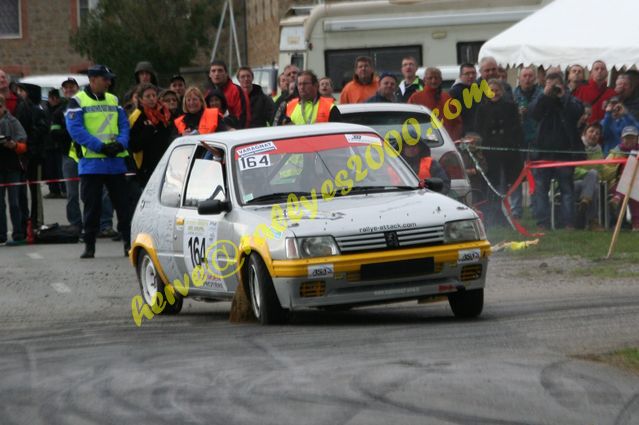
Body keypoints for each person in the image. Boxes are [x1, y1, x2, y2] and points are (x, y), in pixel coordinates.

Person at [65, 64, 132, 258]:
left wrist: (121, 144)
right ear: (93, 80)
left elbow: (124, 125)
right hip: (92, 163)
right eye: (105, 79)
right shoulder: (77, 101)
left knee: (123, 206)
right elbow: (76, 130)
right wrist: (100, 147)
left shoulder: (114, 99)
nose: (109, 82)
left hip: (115, 161)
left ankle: (128, 243)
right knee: (92, 206)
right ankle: (90, 245)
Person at [529, 72, 585, 229]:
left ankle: (568, 223)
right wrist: (544, 96)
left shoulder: (569, 98)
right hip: (543, 152)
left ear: (563, 84)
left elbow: (577, 112)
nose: (553, 88)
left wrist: (563, 97)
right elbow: (533, 113)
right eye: (549, 84)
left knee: (567, 189)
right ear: (545, 83)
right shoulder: (540, 97)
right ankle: (543, 223)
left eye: (556, 84)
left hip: (564, 152)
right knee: (541, 189)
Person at [474, 79, 524, 224]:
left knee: (514, 182)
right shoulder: (482, 108)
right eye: (491, 90)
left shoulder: (510, 106)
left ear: (502, 91)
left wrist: (514, 144)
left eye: (497, 90)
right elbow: (479, 129)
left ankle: (516, 211)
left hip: (510, 152)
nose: (494, 93)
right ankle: (498, 212)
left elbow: (516, 127)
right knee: (496, 183)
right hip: (491, 153)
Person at [128, 83, 173, 186]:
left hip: (164, 161)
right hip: (145, 166)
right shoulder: (136, 116)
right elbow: (134, 146)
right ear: (140, 99)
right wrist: (149, 129)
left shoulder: (163, 113)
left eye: (154, 95)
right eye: (148, 96)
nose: (152, 99)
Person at [0, 93, 28, 245]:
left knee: (14, 202)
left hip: (13, 167)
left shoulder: (12, 121)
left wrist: (14, 145)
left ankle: (18, 233)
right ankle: (1, 234)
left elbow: (23, 144)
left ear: (4, 106)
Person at [409, 67, 463, 140]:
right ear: (424, 80)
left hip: (446, 143)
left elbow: (457, 123)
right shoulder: (415, 98)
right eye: (430, 78)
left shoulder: (447, 98)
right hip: (423, 142)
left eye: (436, 78)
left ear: (440, 80)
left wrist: (452, 139)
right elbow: (408, 121)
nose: (433, 81)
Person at [573, 123, 608, 230]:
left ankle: (585, 203)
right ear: (585, 133)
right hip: (574, 183)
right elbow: (572, 170)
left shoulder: (599, 151)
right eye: (591, 131)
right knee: (592, 175)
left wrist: (595, 176)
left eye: (597, 134)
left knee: (595, 187)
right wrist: (588, 174)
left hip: (590, 186)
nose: (594, 135)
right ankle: (592, 221)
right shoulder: (576, 146)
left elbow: (601, 171)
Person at [604, 125, 639, 231]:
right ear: (622, 139)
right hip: (615, 184)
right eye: (627, 137)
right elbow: (605, 172)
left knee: (634, 187)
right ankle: (636, 223)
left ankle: (617, 198)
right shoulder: (615, 152)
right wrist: (618, 165)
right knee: (633, 188)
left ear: (637, 138)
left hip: (635, 184)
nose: (630, 140)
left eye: (632, 137)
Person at [207, 60, 247, 128]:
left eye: (220, 70)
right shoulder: (208, 93)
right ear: (210, 75)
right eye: (213, 71)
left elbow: (242, 118)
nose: (216, 74)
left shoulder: (236, 91)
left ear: (226, 73)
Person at [573, 60, 615, 125]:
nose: (599, 71)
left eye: (602, 69)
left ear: (607, 73)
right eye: (596, 69)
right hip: (584, 130)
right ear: (591, 73)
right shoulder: (580, 89)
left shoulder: (612, 93)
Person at [449, 63, 479, 134]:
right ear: (460, 76)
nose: (471, 76)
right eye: (467, 74)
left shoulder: (479, 89)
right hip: (463, 132)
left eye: (473, 73)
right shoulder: (455, 92)